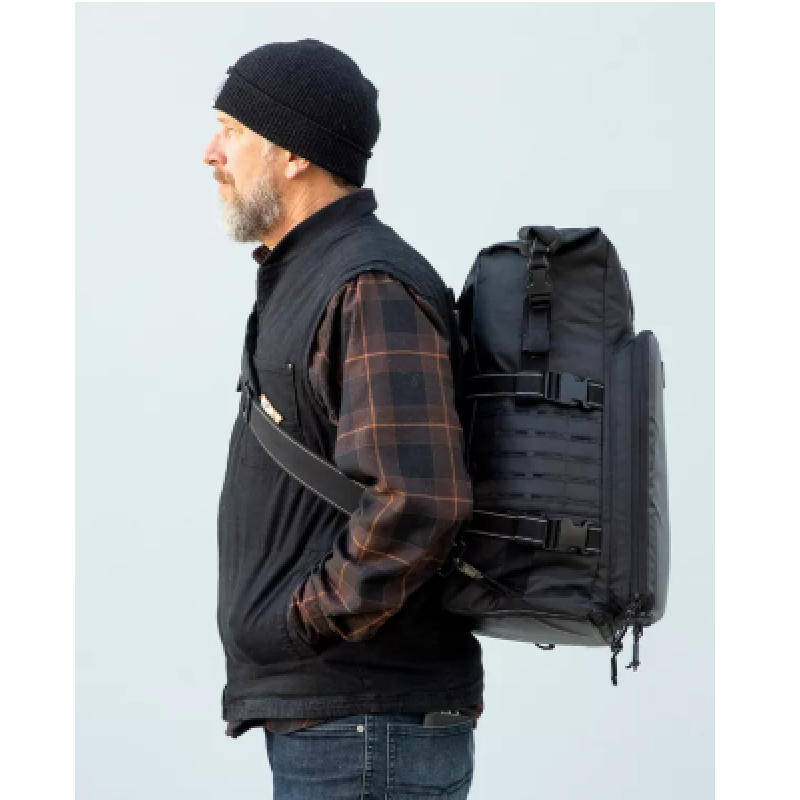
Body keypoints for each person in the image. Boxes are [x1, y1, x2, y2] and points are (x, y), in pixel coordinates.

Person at [203, 38, 483, 800]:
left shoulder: (368, 284)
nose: (211, 153)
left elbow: (419, 499)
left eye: (232, 130)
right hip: (343, 722)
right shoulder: (309, 273)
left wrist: (298, 625)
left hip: (365, 725)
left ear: (294, 153)